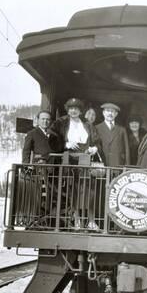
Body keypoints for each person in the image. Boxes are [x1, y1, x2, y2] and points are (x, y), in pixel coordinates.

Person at [48, 98, 100, 230]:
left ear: (80, 110)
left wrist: (95, 148)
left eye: (76, 108)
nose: (73, 111)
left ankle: (91, 220)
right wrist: (65, 144)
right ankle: (76, 220)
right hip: (69, 159)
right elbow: (52, 140)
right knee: (74, 190)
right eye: (71, 108)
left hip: (86, 159)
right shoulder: (61, 122)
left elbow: (96, 141)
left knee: (90, 190)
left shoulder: (87, 124)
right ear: (67, 109)